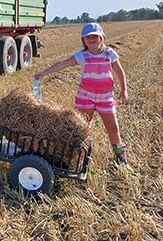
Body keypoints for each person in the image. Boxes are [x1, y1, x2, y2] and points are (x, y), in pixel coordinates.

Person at [35, 23, 133, 171]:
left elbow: (119, 71)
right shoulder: (82, 55)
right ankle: (81, 159)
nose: (92, 38)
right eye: (88, 37)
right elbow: (63, 64)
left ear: (102, 37)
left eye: (95, 36)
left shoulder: (109, 53)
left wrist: (124, 89)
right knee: (82, 129)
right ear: (83, 39)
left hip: (105, 98)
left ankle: (122, 160)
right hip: (85, 97)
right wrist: (45, 72)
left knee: (113, 129)